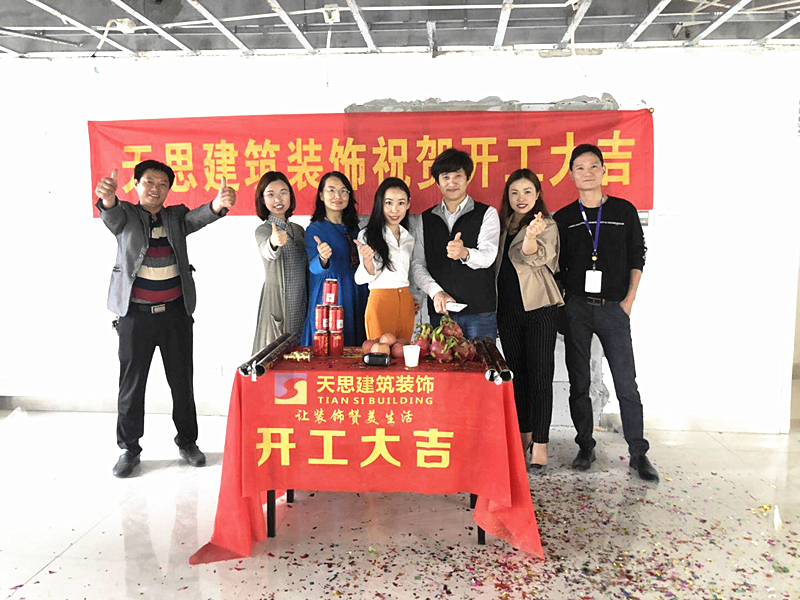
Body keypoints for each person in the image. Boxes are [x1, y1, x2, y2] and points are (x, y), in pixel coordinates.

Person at [94, 159, 235, 478]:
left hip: (175, 315)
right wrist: (108, 199)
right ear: (136, 185)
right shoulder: (125, 214)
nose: (155, 189)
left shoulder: (175, 217)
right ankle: (129, 449)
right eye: (148, 182)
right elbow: (111, 215)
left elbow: (197, 217)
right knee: (131, 386)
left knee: (182, 382)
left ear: (169, 189)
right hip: (135, 316)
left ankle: (188, 442)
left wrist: (217, 205)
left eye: (162, 184)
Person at [553, 144, 658, 482]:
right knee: (579, 382)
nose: (587, 173)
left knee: (626, 382)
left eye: (592, 166)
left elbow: (637, 256)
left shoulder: (624, 211)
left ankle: (638, 452)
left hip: (614, 309)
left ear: (603, 171)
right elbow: (556, 266)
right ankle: (585, 445)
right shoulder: (564, 218)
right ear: (571, 176)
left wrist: (629, 301)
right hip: (577, 309)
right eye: (579, 168)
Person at [495, 169, 563, 470]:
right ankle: (524, 436)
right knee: (517, 377)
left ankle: (541, 443)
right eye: (514, 192)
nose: (520, 198)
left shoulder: (545, 224)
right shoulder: (501, 225)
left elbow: (532, 257)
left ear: (537, 195)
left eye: (526, 192)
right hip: (507, 311)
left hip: (539, 309)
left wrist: (532, 236)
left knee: (540, 377)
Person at [410, 148, 500, 340]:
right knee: (442, 360)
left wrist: (465, 253)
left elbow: (489, 255)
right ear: (437, 182)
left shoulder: (487, 213)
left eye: (458, 176)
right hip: (441, 312)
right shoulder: (426, 219)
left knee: (483, 359)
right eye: (446, 177)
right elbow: (418, 264)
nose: (452, 182)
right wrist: (436, 292)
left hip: (479, 312)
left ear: (468, 178)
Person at [300, 171, 368, 346]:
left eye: (344, 191)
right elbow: (313, 267)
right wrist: (322, 258)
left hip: (357, 290)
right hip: (332, 294)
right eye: (331, 190)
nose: (338, 196)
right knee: (330, 345)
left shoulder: (355, 229)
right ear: (321, 196)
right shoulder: (315, 229)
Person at [252, 171, 307, 352]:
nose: (278, 199)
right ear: (262, 199)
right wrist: (273, 243)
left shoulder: (299, 230)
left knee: (301, 354)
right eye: (271, 194)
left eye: (283, 192)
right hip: (278, 304)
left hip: (301, 302)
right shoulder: (264, 230)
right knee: (276, 355)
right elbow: (267, 251)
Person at [354, 177, 416, 341]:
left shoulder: (408, 238)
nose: (394, 210)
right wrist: (367, 261)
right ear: (380, 204)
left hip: (406, 302)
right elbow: (360, 279)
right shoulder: (367, 235)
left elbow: (410, 274)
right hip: (380, 302)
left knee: (403, 352)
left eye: (401, 203)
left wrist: (414, 298)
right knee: (380, 351)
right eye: (388, 203)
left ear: (408, 204)